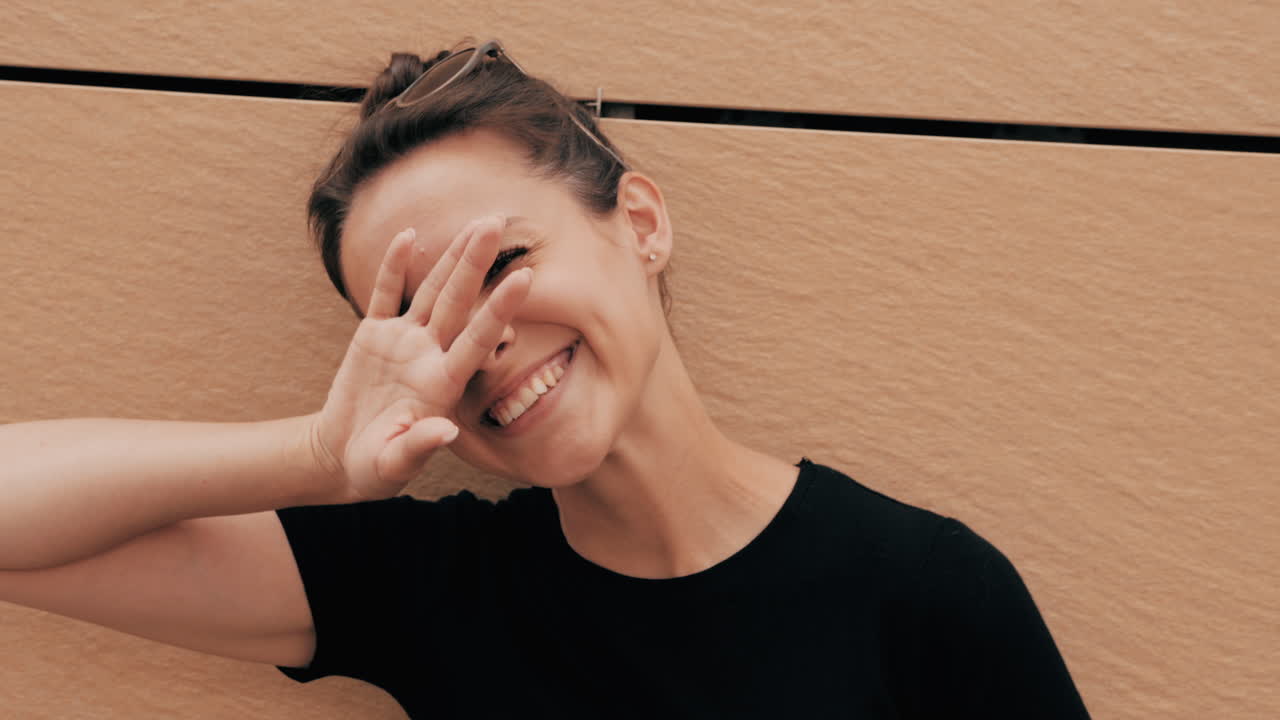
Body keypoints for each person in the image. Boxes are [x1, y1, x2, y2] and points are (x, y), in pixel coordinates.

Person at [0, 38, 1092, 719]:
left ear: (641, 224)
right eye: (419, 315)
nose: (480, 342)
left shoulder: (923, 593)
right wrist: (316, 455)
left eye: (504, 263)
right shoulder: (434, 588)